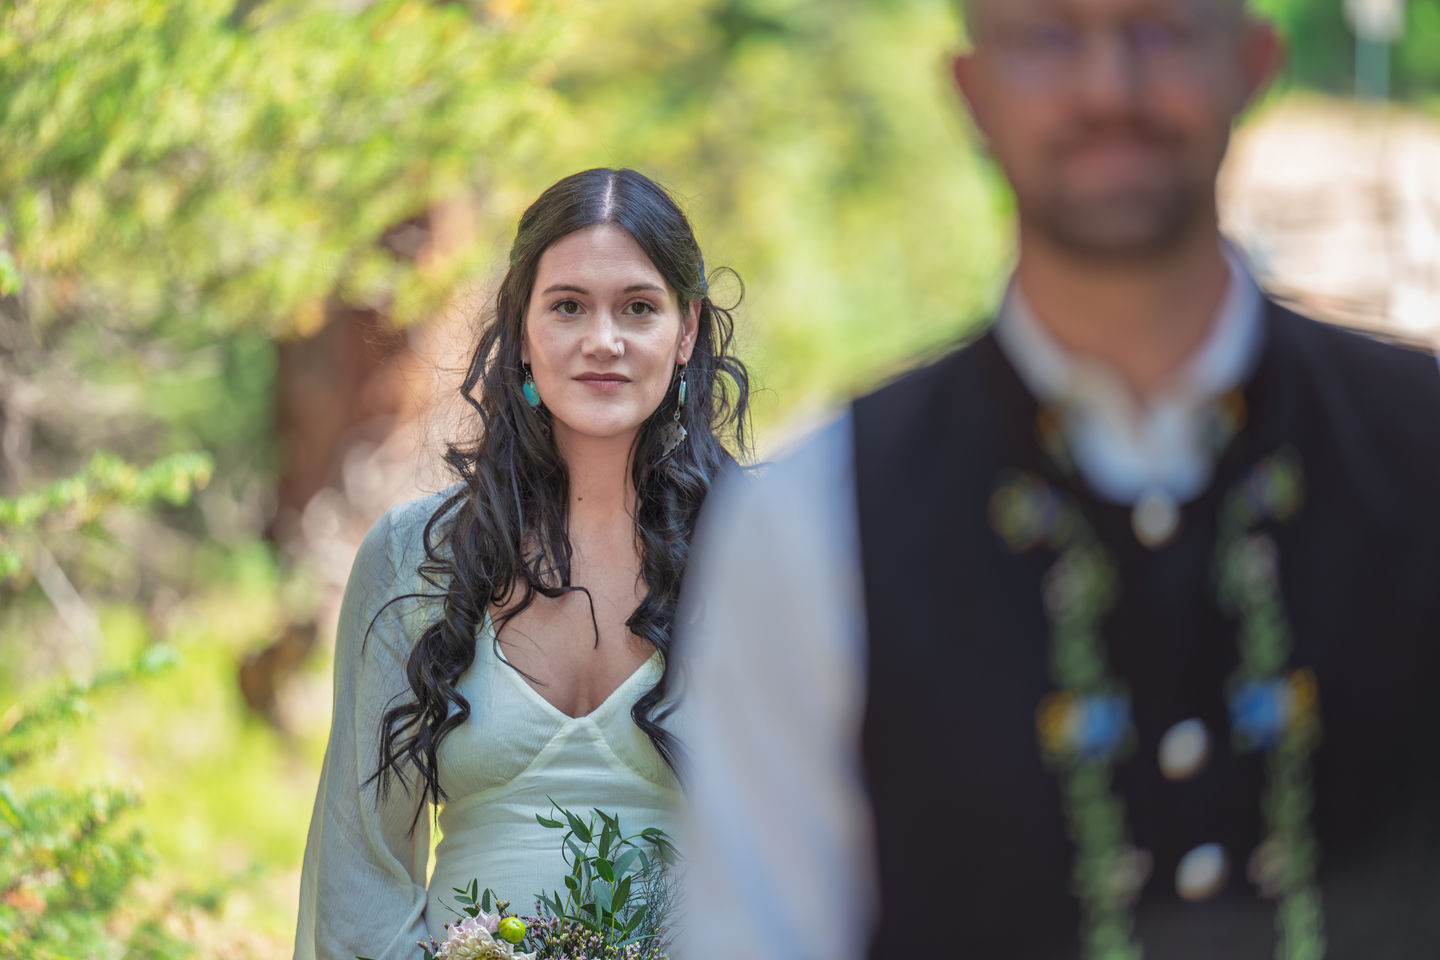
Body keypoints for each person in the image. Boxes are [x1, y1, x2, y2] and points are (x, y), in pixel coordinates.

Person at [678, 1, 1440, 957]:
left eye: (1161, 29)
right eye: (1048, 34)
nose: (1107, 87)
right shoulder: (806, 521)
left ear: (1254, 60)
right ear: (971, 90)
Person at [293, 168, 750, 960]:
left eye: (638, 307)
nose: (602, 339)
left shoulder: (760, 555)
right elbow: (358, 878)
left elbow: (822, 849)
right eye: (568, 305)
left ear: (685, 332)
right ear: (523, 330)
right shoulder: (412, 558)